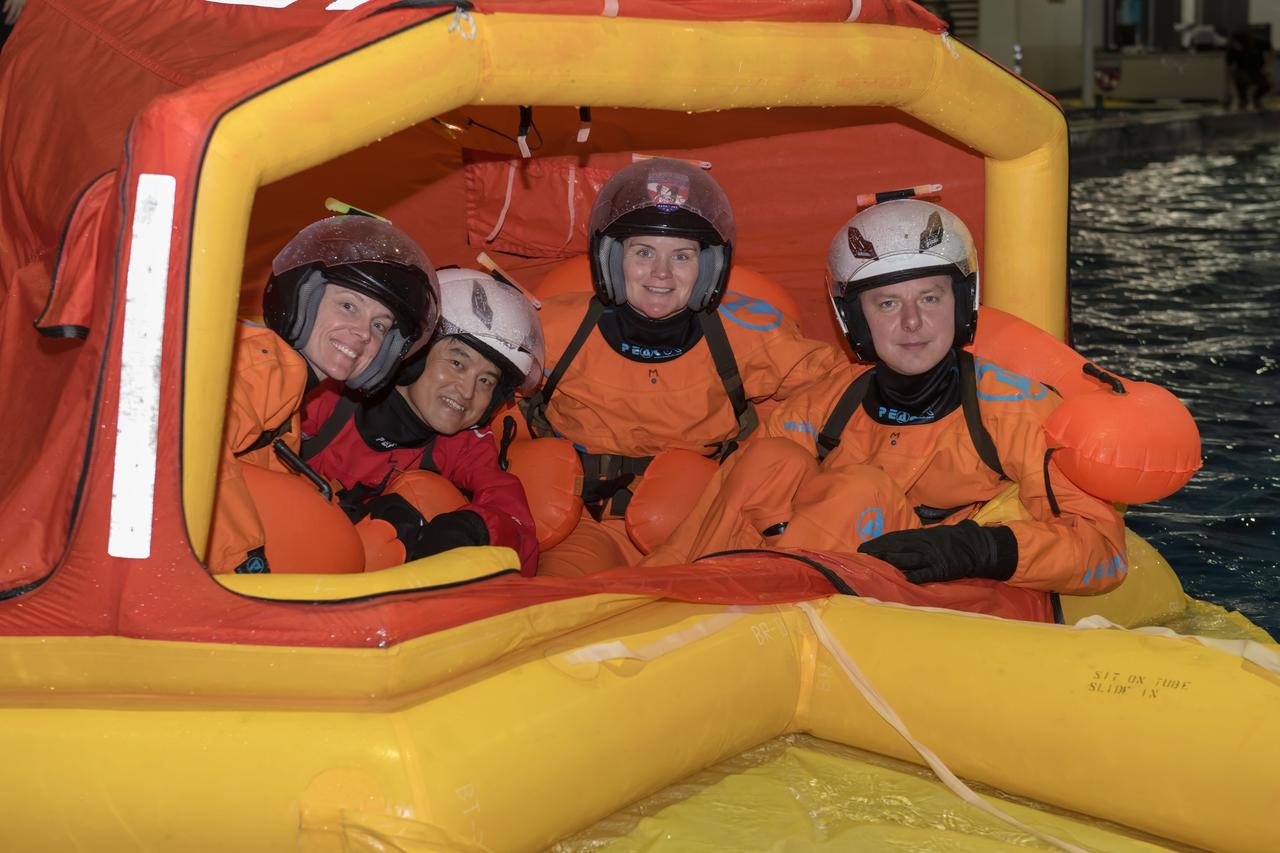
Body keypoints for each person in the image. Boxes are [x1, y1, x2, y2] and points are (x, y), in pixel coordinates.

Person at [645, 199, 1127, 598]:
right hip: (819, 584)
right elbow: (739, 498)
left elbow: (1104, 554)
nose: (912, 323)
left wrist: (980, 547)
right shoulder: (826, 404)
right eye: (888, 303)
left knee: (859, 490)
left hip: (944, 600)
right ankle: (654, 595)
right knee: (768, 457)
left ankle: (731, 613)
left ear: (962, 302)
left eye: (931, 298)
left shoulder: (1018, 410)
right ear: (854, 319)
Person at [524, 157, 849, 576]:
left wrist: (763, 456)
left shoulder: (747, 334)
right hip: (582, 529)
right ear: (611, 259)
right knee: (571, 621)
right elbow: (479, 392)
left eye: (682, 256)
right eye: (643, 252)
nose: (661, 273)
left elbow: (844, 386)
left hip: (702, 528)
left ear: (708, 267)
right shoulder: (553, 329)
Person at [206, 215, 438, 574]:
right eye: (349, 306)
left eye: (380, 325)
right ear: (303, 299)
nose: (363, 333)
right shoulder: (263, 363)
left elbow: (264, 482)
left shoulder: (288, 387)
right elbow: (192, 452)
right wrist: (244, 570)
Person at [299, 268, 543, 575]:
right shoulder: (328, 394)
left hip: (355, 593)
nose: (467, 391)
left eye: (485, 381)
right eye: (457, 362)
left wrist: (476, 530)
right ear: (413, 355)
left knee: (426, 498)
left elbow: (517, 526)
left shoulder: (463, 443)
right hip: (274, 548)